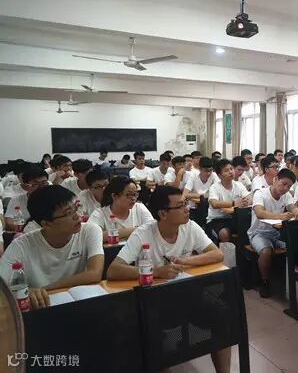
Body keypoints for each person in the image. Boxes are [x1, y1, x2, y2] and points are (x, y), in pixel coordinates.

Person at [106, 186, 229, 373]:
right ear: (163, 213)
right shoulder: (143, 233)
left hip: (187, 294)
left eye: (185, 203)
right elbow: (113, 270)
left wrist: (185, 260)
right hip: (154, 300)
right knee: (153, 337)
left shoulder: (190, 226)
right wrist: (156, 271)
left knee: (223, 314)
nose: (187, 208)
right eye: (180, 206)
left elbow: (217, 254)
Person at [0, 185, 104, 309]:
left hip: (79, 304)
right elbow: (2, 289)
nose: (77, 216)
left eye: (75, 208)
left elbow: (94, 273)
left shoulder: (89, 230)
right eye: (68, 213)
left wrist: (44, 289)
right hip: (41, 309)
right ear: (46, 223)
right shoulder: (21, 246)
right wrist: (28, 292)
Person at [249, 169, 298, 297]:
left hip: (277, 233)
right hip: (259, 233)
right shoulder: (260, 193)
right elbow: (259, 213)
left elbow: (292, 206)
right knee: (266, 251)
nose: (285, 188)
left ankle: (296, 278)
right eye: (283, 184)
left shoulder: (286, 195)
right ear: (276, 179)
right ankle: (265, 281)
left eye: (289, 186)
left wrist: (297, 211)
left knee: (296, 245)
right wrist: (280, 216)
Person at [88, 176, 154, 242]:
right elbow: (91, 236)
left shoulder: (139, 208)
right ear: (114, 196)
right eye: (128, 195)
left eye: (135, 194)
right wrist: (134, 230)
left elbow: (152, 229)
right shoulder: (100, 213)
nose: (133, 198)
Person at [207, 159, 252, 243]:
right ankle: (225, 251)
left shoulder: (238, 185)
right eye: (226, 170)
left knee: (248, 229)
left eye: (231, 169)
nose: (231, 172)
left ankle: (241, 250)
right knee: (224, 234)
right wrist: (234, 203)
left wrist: (246, 201)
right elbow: (214, 203)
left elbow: (249, 197)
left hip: (235, 218)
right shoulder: (214, 187)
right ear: (219, 175)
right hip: (217, 220)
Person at [5, 166, 49, 231]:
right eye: (36, 183)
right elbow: (9, 222)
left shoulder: (53, 199)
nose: (41, 187)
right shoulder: (17, 200)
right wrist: (26, 229)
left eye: (44, 183)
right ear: (26, 184)